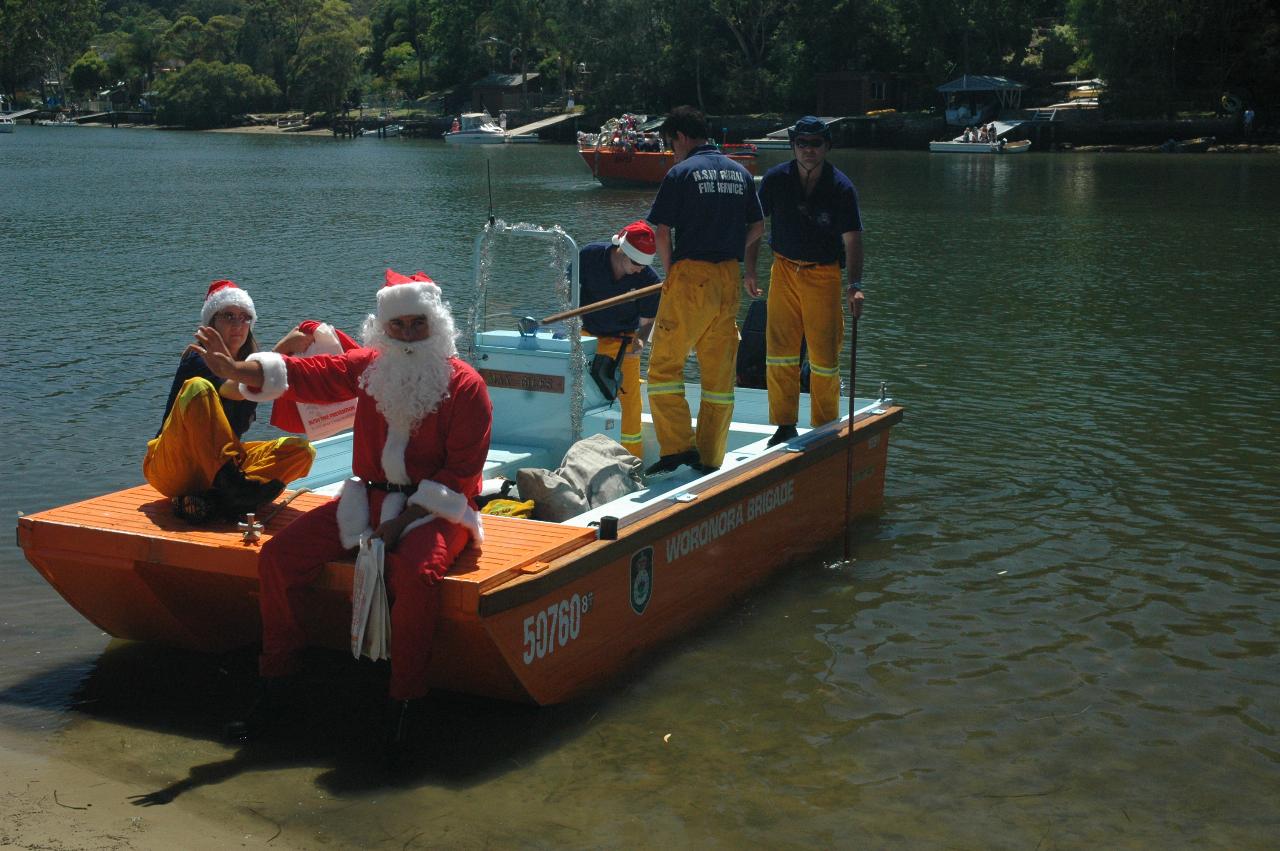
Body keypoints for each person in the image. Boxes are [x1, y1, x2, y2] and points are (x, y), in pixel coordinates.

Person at [198, 270, 492, 760]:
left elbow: (461, 473)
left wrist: (400, 524)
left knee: (416, 574)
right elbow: (306, 375)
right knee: (278, 558)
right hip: (366, 500)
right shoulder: (369, 367)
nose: (407, 335)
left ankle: (404, 704)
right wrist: (235, 369)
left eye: (417, 324)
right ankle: (278, 683)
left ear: (437, 324)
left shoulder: (467, 386)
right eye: (397, 325)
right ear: (383, 328)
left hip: (435, 509)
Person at [644, 105, 764, 474]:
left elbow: (661, 231)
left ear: (681, 136)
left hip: (690, 274)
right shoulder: (740, 172)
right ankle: (710, 458)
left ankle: (678, 447)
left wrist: (671, 272)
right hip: (728, 277)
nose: (672, 153)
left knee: (664, 367)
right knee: (718, 376)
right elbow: (759, 226)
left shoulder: (681, 173)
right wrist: (732, 247)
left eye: (671, 144)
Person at [144, 280, 315, 523]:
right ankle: (237, 496)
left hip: (219, 471)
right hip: (174, 465)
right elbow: (234, 389)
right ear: (211, 323)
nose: (238, 325)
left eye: (245, 317)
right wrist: (281, 350)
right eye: (229, 316)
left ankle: (212, 503)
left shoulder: (249, 366)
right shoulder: (198, 357)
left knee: (301, 451)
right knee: (198, 387)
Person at [744, 116, 864, 447]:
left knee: (824, 356)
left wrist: (854, 285)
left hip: (823, 273)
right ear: (793, 146)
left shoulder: (841, 187)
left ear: (827, 146)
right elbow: (755, 225)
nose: (808, 150)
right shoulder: (775, 179)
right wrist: (749, 270)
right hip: (783, 269)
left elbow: (853, 239)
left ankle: (824, 425)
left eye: (815, 144)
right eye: (802, 143)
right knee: (780, 352)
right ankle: (784, 424)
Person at [578, 220, 662, 458]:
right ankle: (582, 454)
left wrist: (641, 341)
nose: (640, 269)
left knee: (629, 403)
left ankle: (630, 459)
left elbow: (647, 323)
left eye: (644, 265)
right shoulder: (590, 256)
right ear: (621, 251)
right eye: (636, 263)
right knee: (581, 399)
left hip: (625, 342)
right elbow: (566, 290)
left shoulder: (649, 281)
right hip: (587, 338)